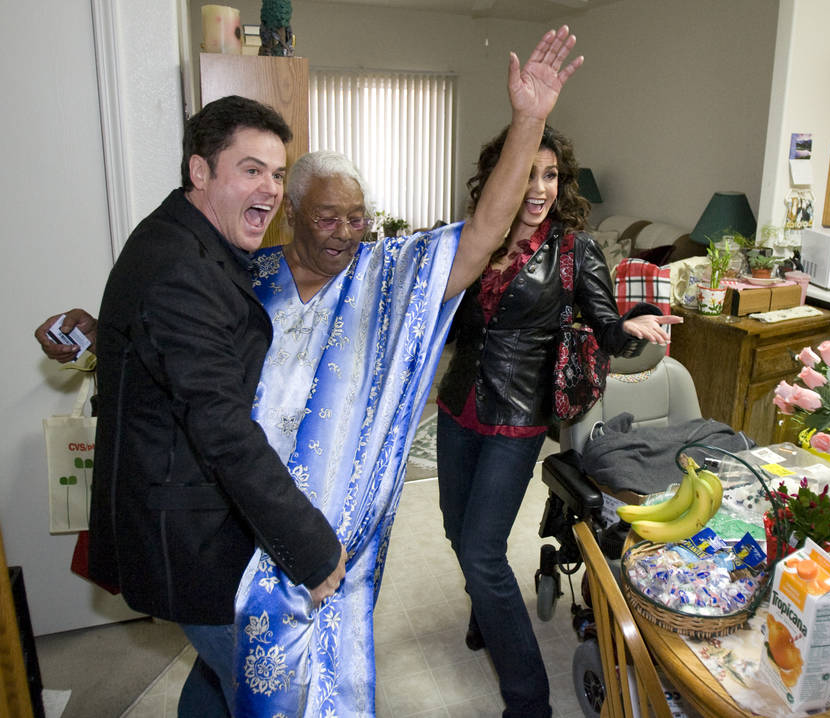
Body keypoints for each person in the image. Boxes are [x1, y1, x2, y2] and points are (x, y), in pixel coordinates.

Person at [37, 26, 583, 718]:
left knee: (247, 672)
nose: (346, 231)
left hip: (326, 540)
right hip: (236, 530)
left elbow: (481, 234)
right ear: (292, 213)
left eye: (358, 217)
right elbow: (181, 356)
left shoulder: (385, 280)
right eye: (328, 216)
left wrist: (527, 118)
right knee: (254, 677)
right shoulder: (244, 274)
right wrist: (101, 331)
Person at [435, 124, 682, 717]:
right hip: (457, 403)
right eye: (527, 174)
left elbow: (603, 322)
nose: (540, 188)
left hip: (517, 417)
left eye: (550, 175)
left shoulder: (573, 249)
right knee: (454, 528)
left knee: (485, 551)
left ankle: (528, 702)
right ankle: (485, 613)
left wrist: (628, 329)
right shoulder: (475, 237)